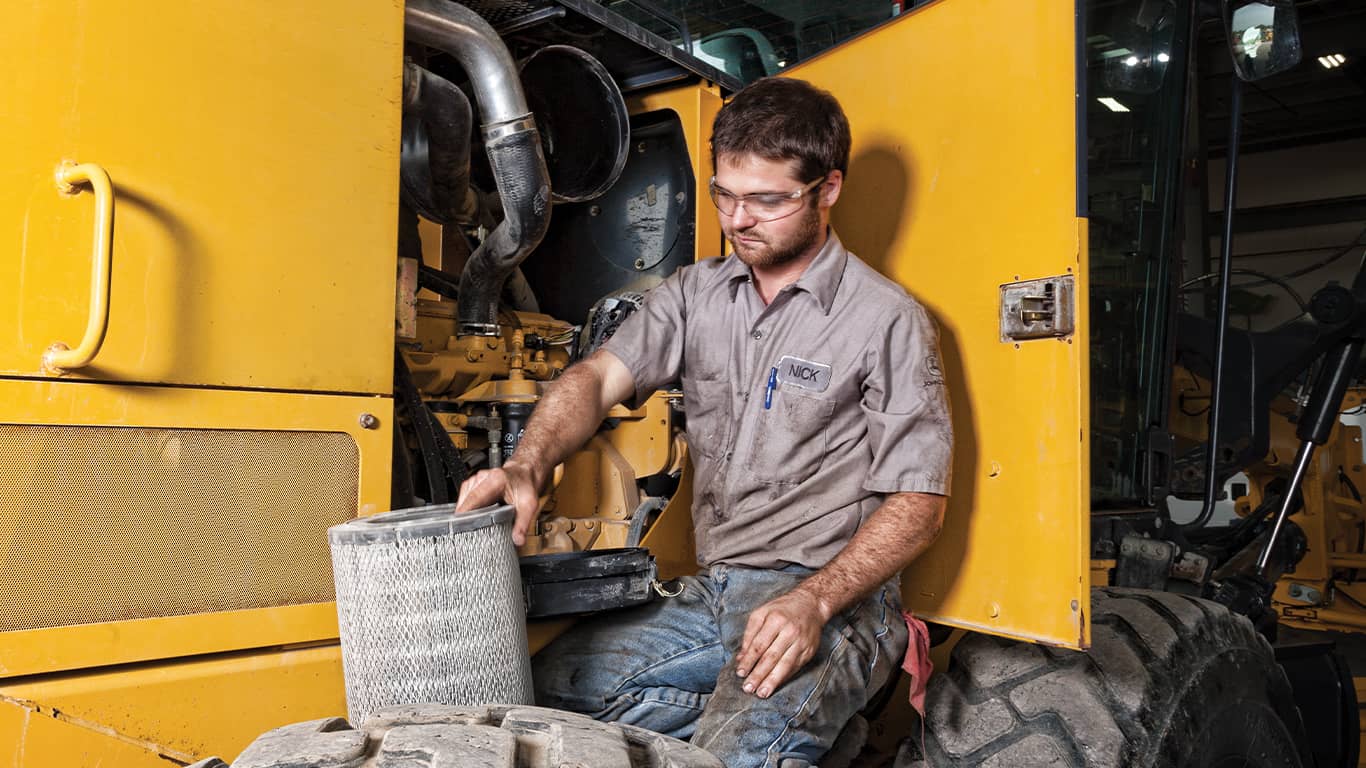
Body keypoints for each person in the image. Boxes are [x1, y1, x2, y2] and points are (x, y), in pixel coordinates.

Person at [456, 76, 952, 767]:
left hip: (831, 597)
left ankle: (789, 727)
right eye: (725, 194)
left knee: (737, 756)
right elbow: (596, 379)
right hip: (715, 593)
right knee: (536, 701)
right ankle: (819, 737)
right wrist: (526, 464)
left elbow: (919, 504)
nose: (739, 219)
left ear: (828, 189)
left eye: (767, 200)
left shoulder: (885, 320)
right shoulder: (696, 295)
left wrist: (813, 602)